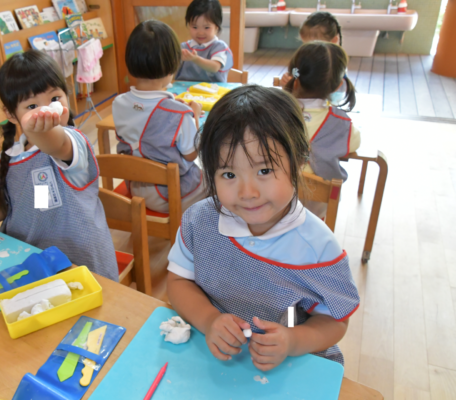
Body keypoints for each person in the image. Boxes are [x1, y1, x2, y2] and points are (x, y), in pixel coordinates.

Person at [167, 85, 360, 371]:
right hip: (217, 358)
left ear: (299, 161)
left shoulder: (317, 246)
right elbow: (179, 281)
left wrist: (293, 341)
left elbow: (335, 319)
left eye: (265, 170)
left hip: (288, 365)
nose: (248, 192)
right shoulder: (200, 220)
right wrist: (209, 320)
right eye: (229, 174)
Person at [0, 50, 118, 281]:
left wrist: (41, 127)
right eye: (32, 106)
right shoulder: (12, 156)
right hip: (31, 265)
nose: (47, 109)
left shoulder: (71, 142)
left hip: (82, 268)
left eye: (55, 99)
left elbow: (53, 143)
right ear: (10, 114)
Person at [113, 20, 206, 213]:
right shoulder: (180, 113)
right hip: (170, 195)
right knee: (217, 181)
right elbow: (192, 154)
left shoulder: (118, 103)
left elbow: (144, 119)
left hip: (135, 187)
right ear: (172, 65)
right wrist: (194, 115)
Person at [283, 41, 360, 217]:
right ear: (339, 84)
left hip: (275, 197)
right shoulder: (340, 123)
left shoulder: (275, 110)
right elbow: (355, 142)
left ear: (294, 76)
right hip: (317, 206)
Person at [280, 11, 343, 93]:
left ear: (333, 41)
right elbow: (296, 73)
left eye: (315, 47)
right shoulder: (304, 58)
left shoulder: (334, 65)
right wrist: (288, 81)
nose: (309, 51)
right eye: (305, 45)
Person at [174, 0, 233, 82]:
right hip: (184, 91)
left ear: (217, 26)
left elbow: (215, 67)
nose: (200, 32)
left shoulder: (219, 47)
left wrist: (195, 59)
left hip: (214, 91)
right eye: (194, 27)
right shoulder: (184, 47)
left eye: (206, 28)